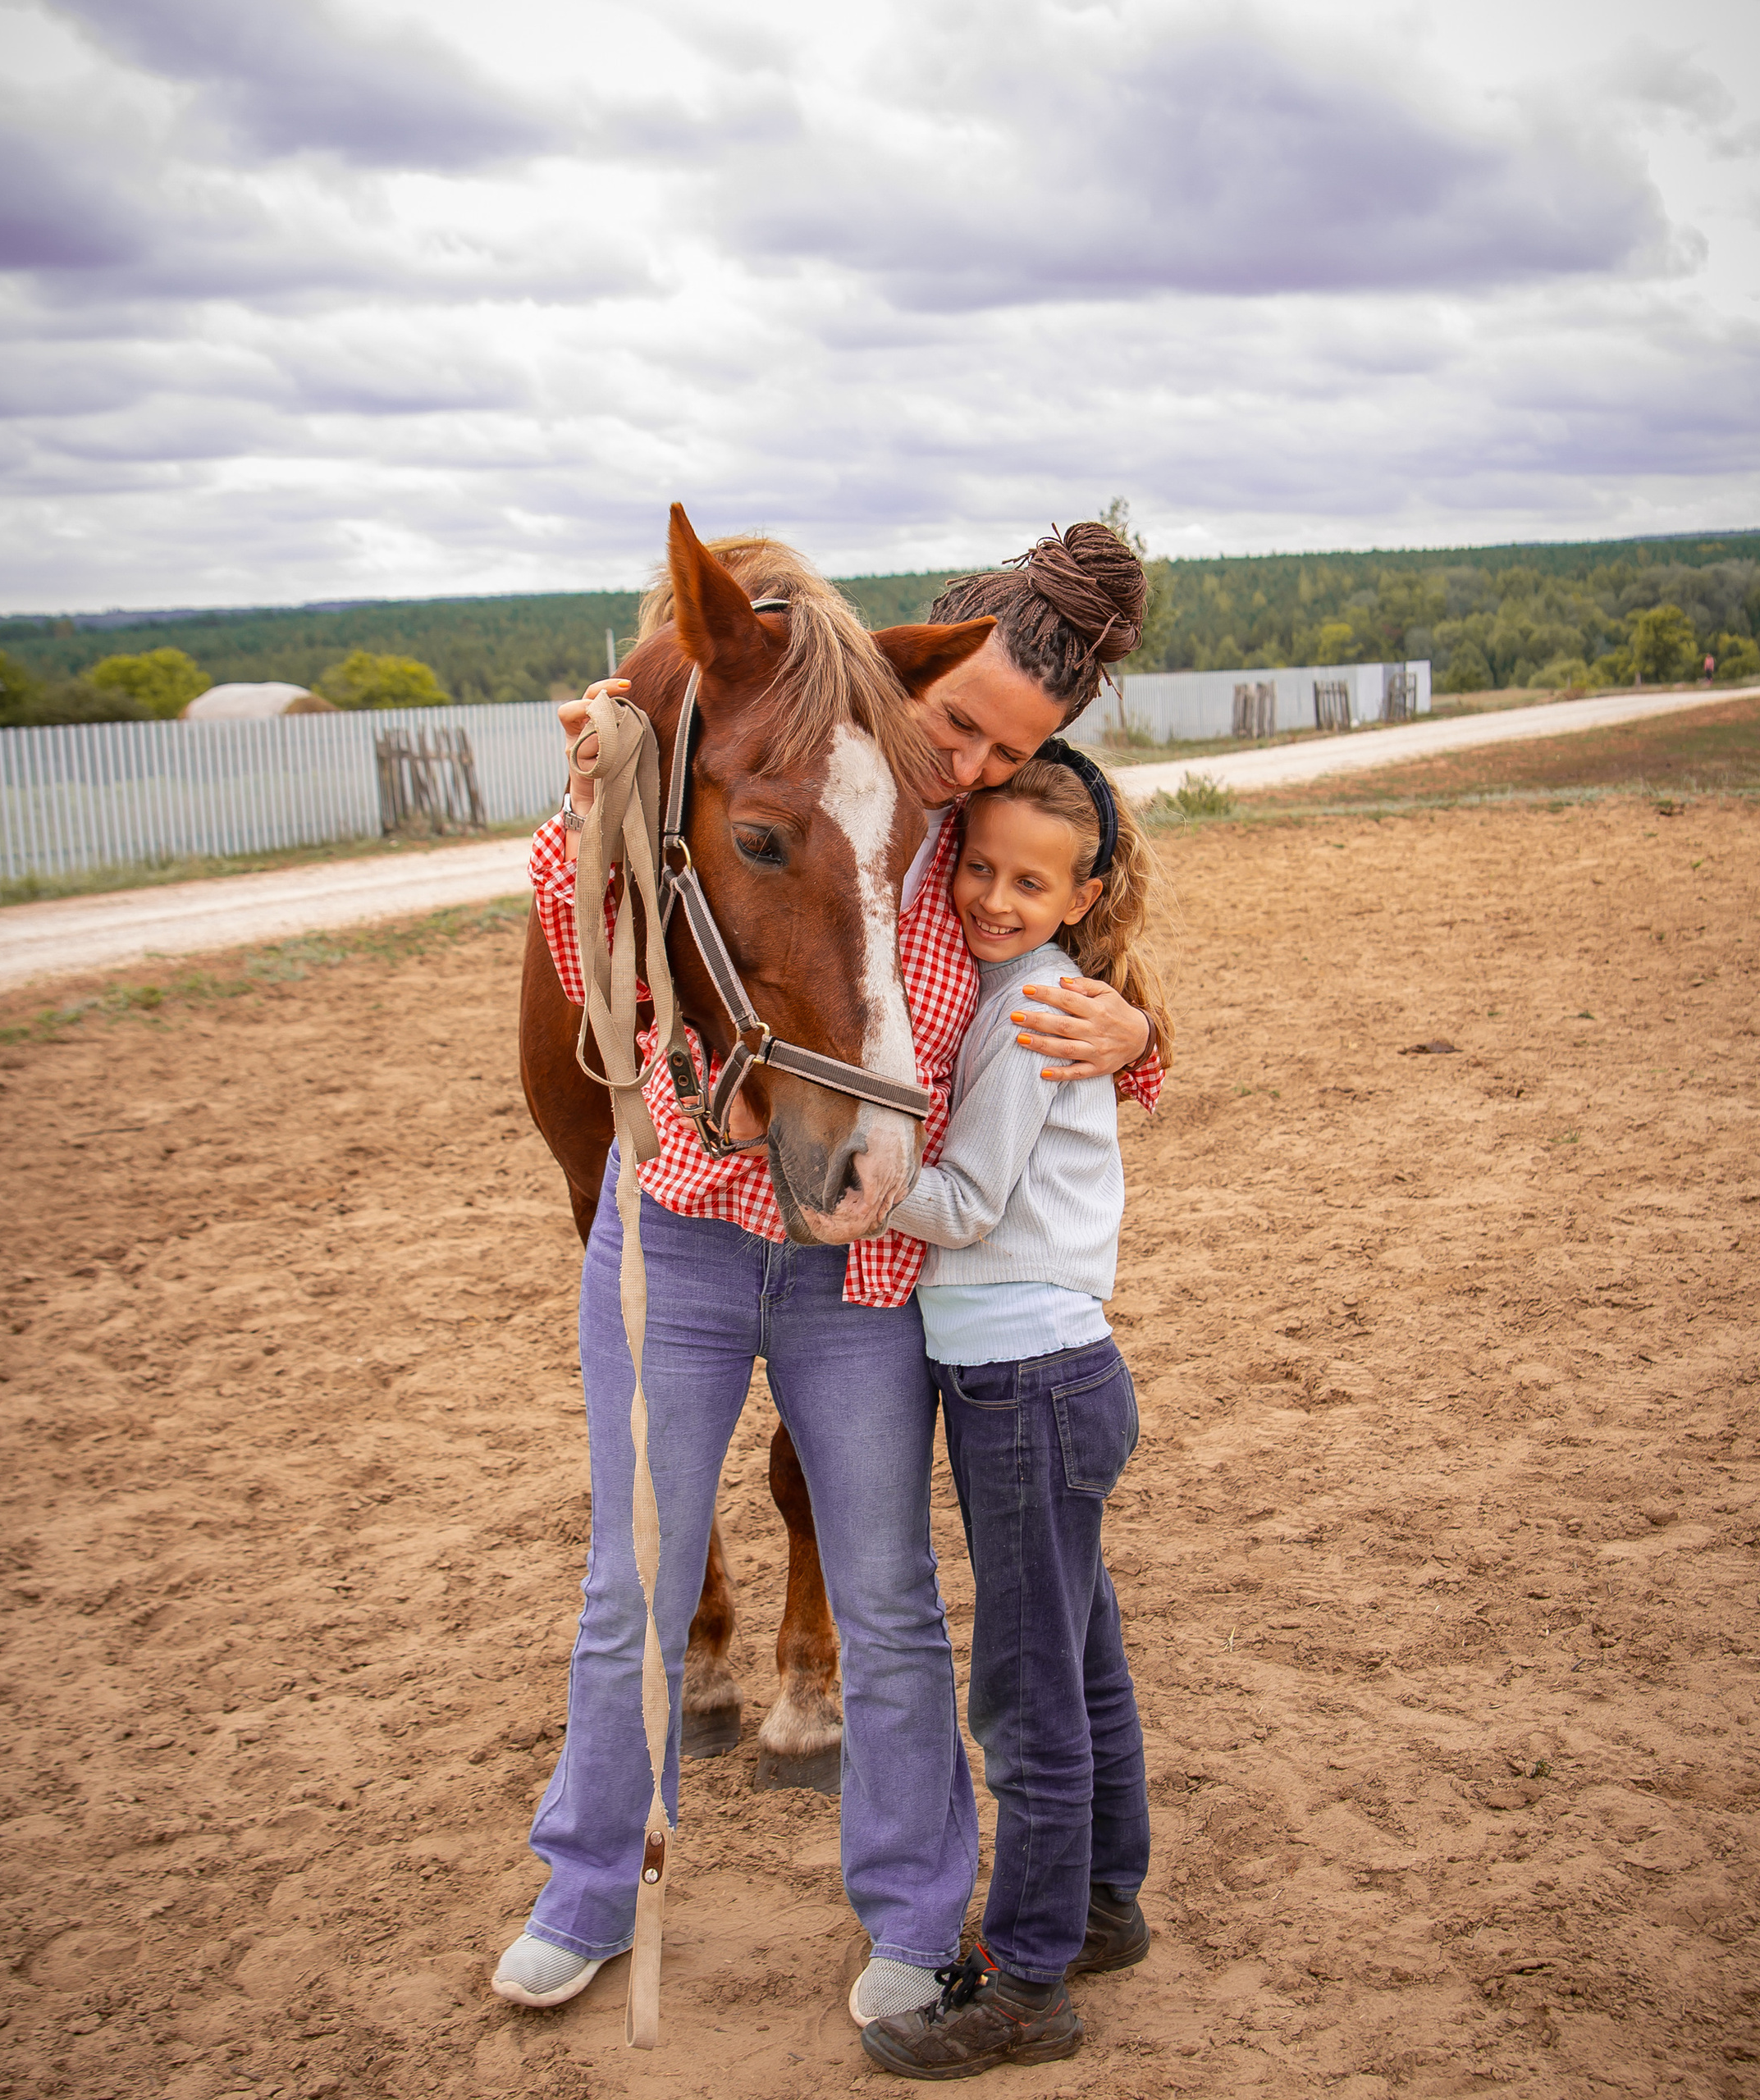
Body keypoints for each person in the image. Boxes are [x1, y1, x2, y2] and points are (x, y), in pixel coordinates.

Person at [492, 526, 1165, 2021]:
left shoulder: (996, 825)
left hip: (860, 1266)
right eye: (969, 723)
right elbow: (587, 923)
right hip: (679, 1217)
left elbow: (1091, 953)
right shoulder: (791, 741)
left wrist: (1137, 1039)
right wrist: (609, 770)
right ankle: (590, 1884)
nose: (980, 763)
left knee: (889, 1596)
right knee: (635, 1580)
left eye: (1015, 744)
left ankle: (919, 1921)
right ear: (910, 665)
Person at [859, 748, 1173, 2079]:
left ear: (1080, 889)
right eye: (976, 867)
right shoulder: (1013, 987)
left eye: (1026, 880)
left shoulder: (1035, 1005)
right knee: (1083, 1657)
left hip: (1022, 1379)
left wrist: (854, 1187)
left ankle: (1032, 1983)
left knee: (1028, 1694)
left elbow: (971, 1201)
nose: (992, 895)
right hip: (1055, 1372)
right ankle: (1105, 1902)